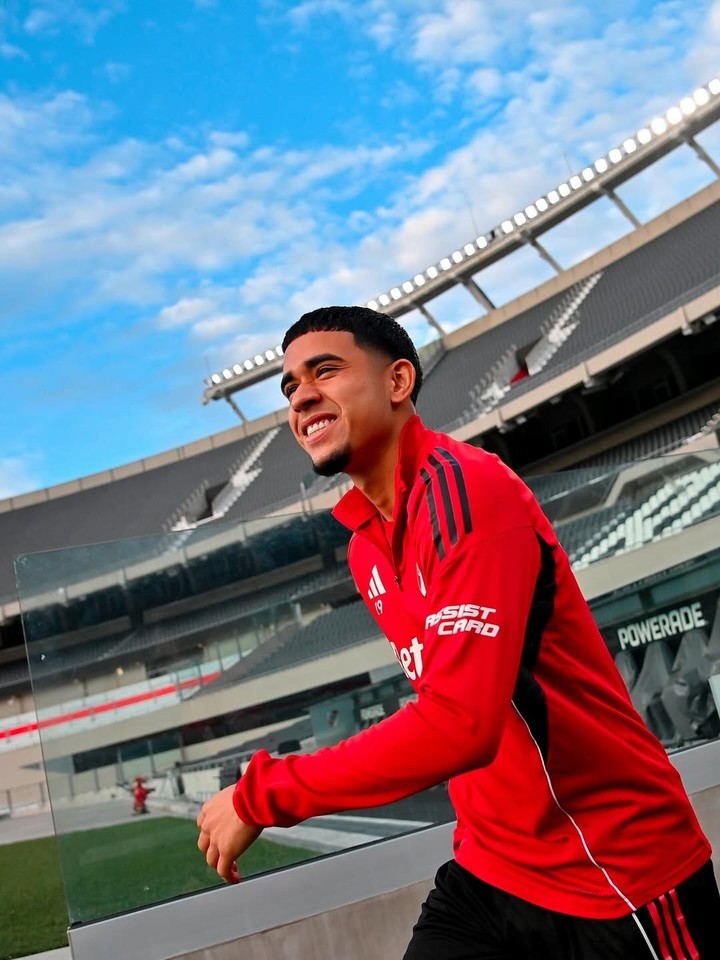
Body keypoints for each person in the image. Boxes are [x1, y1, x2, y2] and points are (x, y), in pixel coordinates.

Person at [197, 305, 719, 958]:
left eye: (324, 370)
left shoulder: (469, 491)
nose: (301, 394)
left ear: (397, 382)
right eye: (290, 386)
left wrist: (263, 794)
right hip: (493, 869)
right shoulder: (366, 545)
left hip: (613, 868)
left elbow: (459, 724)